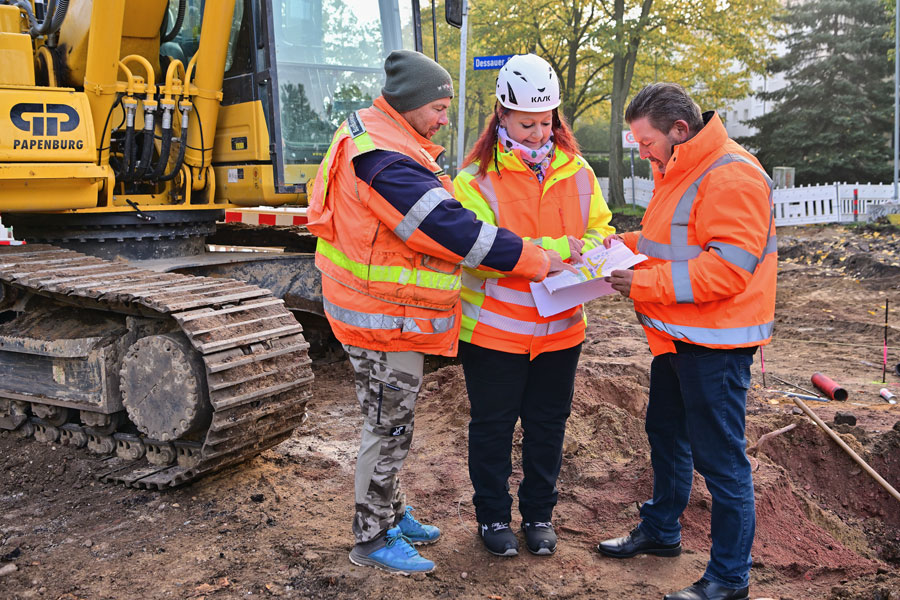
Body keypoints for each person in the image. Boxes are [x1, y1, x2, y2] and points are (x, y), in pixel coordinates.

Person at [306, 50, 572, 576]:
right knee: (388, 427)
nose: (446, 118)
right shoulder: (385, 160)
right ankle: (373, 536)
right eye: (439, 108)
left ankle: (392, 512)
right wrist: (533, 259)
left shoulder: (383, 136)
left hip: (376, 311)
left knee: (388, 422)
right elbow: (453, 229)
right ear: (410, 105)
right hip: (383, 317)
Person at [595, 83, 777, 600]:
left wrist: (642, 283)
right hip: (676, 337)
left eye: (646, 141)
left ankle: (727, 579)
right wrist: (616, 247)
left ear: (680, 130)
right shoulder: (679, 168)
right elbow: (667, 241)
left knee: (721, 461)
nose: (641, 151)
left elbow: (728, 269)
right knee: (666, 434)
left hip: (714, 344)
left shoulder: (732, 173)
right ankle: (661, 530)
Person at [453, 54, 614, 558]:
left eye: (546, 122)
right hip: (495, 333)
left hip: (562, 328)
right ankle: (493, 518)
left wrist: (590, 249)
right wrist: (560, 250)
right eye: (526, 123)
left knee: (548, 427)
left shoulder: (579, 171)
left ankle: (539, 515)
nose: (537, 133)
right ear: (501, 114)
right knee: (493, 429)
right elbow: (481, 253)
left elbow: (601, 230)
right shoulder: (473, 181)